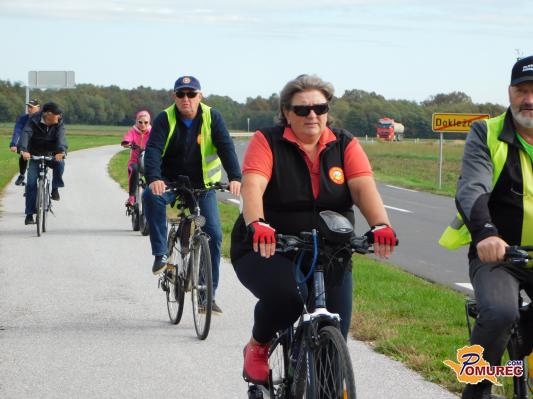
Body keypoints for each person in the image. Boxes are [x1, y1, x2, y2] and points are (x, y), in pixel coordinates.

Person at [230, 74, 398, 384]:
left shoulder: (344, 143)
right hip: (270, 246)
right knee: (289, 297)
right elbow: (253, 184)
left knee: (333, 346)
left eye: (320, 109)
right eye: (302, 109)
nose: (312, 115)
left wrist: (381, 225)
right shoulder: (267, 141)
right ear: (286, 112)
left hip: (330, 250)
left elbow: (362, 187)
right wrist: (257, 223)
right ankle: (258, 345)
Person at [440, 55, 533, 399]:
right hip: (499, 255)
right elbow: (471, 188)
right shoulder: (487, 132)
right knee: (499, 313)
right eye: (522, 90)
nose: (529, 99)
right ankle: (476, 391)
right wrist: (486, 233)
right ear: (509, 92)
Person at [143, 75, 241, 315]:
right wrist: (154, 178)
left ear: (200, 95)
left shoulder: (211, 117)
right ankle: (161, 254)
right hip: (170, 181)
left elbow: (226, 146)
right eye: (181, 94)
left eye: (191, 94)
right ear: (174, 97)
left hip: (203, 185)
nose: (186, 99)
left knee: (214, 235)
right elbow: (153, 150)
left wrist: (236, 177)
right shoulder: (165, 118)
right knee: (149, 196)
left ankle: (207, 296)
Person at [18, 102, 67, 225]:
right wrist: (24, 150)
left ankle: (55, 188)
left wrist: (61, 151)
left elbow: (61, 137)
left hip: (52, 153)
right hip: (35, 154)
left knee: (60, 163)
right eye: (57, 115)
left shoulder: (59, 122)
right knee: (30, 184)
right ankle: (29, 215)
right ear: (48, 114)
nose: (59, 117)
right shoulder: (33, 120)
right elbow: (26, 133)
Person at [121, 110, 152, 206]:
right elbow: (127, 138)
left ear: (149, 122)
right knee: (134, 170)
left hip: (147, 161)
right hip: (134, 161)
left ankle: (151, 198)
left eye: (146, 122)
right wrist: (127, 142)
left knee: (152, 174)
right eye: (140, 122)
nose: (143, 124)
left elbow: (157, 139)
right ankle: (131, 196)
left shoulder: (152, 131)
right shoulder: (133, 131)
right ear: (136, 121)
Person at [9, 99, 41, 186]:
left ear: (38, 108)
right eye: (28, 107)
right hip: (26, 142)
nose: (29, 109)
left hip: (40, 144)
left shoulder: (43, 118)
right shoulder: (23, 119)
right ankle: (22, 175)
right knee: (24, 154)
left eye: (31, 107)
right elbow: (17, 131)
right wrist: (13, 144)